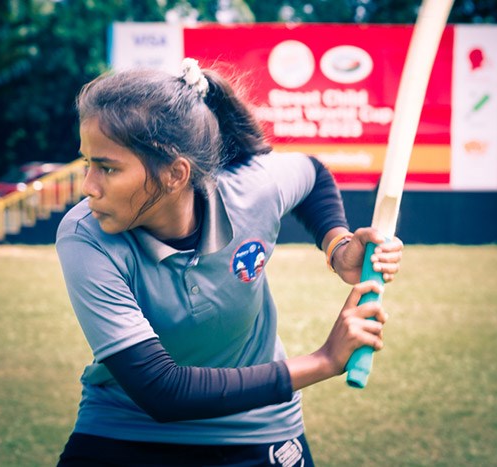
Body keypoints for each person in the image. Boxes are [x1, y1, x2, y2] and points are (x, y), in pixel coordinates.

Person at [54, 59, 404, 466]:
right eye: (87, 163)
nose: (88, 188)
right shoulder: (85, 235)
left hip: (258, 429)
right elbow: (162, 392)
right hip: (124, 427)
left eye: (107, 168)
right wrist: (324, 360)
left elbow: (311, 174)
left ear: (175, 173)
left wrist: (338, 246)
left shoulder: (250, 189)